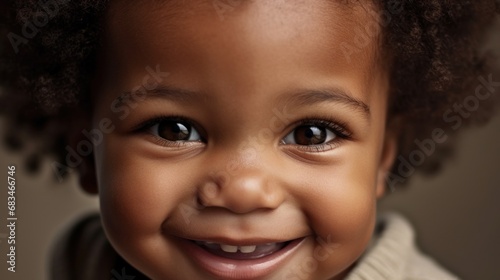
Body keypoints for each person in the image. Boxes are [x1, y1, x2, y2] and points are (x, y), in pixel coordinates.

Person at [1, 0, 499, 279]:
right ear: (84, 149)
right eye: (174, 130)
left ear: (383, 157)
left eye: (312, 133)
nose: (243, 191)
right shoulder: (84, 263)